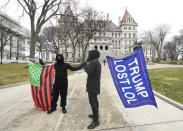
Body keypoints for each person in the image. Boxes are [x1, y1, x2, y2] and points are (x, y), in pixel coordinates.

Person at [82, 50, 101, 129]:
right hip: (95, 84)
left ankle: (96, 121)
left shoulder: (94, 63)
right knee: (95, 100)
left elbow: (89, 72)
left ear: (92, 55)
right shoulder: (97, 62)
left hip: (92, 85)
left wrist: (84, 66)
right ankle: (96, 114)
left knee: (92, 102)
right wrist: (86, 64)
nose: (88, 56)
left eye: (89, 54)